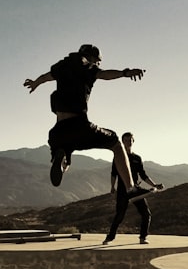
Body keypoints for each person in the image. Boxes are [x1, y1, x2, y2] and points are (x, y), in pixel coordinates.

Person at [23, 44, 153, 201]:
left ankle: (62, 161)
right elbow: (105, 74)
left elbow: (46, 77)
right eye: (97, 61)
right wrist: (125, 73)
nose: (98, 65)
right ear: (91, 57)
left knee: (65, 151)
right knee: (115, 142)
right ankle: (131, 189)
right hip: (79, 126)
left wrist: (35, 83)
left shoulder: (62, 66)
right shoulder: (86, 66)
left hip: (57, 132)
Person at [103, 132, 163, 245]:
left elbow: (143, 175)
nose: (128, 142)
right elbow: (113, 173)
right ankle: (109, 238)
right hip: (122, 190)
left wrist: (154, 185)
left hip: (135, 190)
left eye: (130, 140)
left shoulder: (137, 158)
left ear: (133, 141)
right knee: (119, 215)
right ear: (123, 142)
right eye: (126, 140)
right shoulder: (118, 158)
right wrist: (112, 187)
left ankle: (143, 237)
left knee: (146, 214)